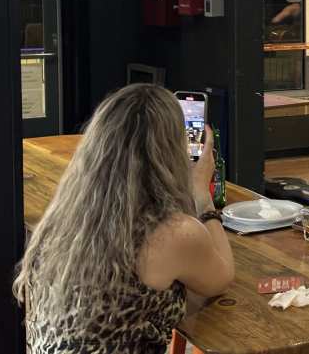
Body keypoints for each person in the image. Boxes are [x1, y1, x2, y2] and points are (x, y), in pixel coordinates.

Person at [14, 84, 235, 354]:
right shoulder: (173, 232)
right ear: (171, 153)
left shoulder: (62, 222)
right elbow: (221, 277)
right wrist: (201, 193)